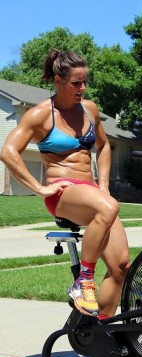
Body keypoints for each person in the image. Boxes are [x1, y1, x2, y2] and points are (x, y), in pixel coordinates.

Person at [0, 49, 130, 319]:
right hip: (62, 193)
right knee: (108, 207)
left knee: (120, 267)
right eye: (75, 83)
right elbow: (8, 152)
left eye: (85, 82)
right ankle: (83, 282)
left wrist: (103, 185)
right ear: (58, 82)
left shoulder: (89, 109)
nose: (82, 88)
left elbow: (104, 146)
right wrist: (40, 188)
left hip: (94, 195)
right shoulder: (40, 115)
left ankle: (100, 337)